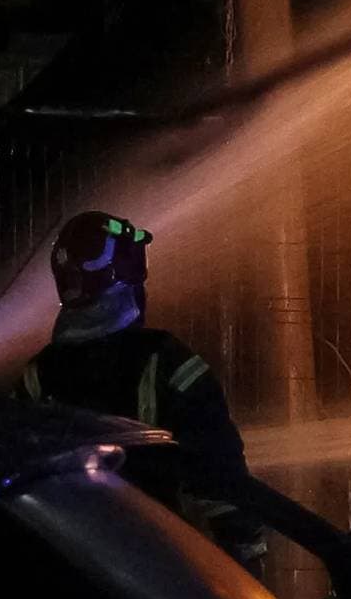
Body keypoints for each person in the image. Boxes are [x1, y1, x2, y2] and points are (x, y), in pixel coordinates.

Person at [15, 210, 263, 572]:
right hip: (155, 577)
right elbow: (220, 469)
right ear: (125, 273)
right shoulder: (167, 361)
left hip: (63, 570)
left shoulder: (38, 373)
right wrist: (245, 554)